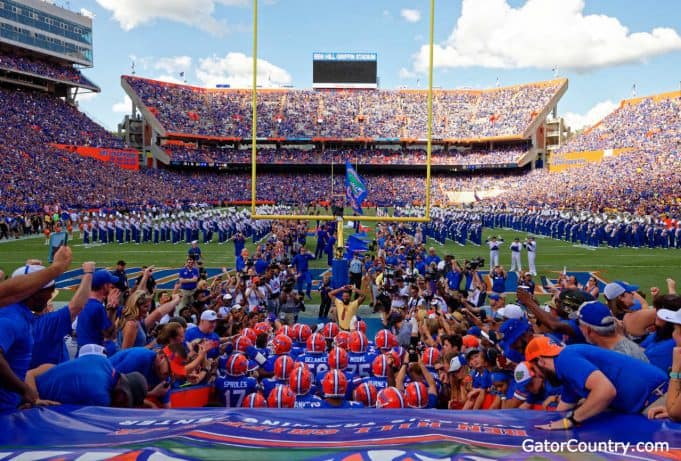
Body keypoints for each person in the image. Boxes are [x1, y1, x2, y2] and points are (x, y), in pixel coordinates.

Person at [526, 336, 667, 430]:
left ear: (540, 361)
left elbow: (605, 392)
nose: (537, 375)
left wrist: (569, 421)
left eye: (534, 369)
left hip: (657, 400)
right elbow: (564, 408)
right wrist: (547, 425)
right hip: (649, 400)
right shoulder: (565, 368)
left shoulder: (565, 359)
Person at [24, 354, 148, 407]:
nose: (121, 407)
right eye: (125, 404)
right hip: (25, 404)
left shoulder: (103, 361)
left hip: (27, 387)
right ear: (123, 395)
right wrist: (36, 400)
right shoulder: (101, 398)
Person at [0, 245, 72, 308]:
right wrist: (56, 268)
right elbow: (74, 308)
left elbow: (13, 291)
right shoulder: (13, 319)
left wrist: (28, 270)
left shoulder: (13, 306)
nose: (50, 296)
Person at [576, 301, 648, 361]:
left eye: (579, 323)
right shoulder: (631, 347)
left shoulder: (613, 359)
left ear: (588, 330)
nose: (579, 328)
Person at [76, 270, 120, 353]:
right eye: (110, 284)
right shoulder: (97, 307)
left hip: (82, 350)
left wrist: (110, 309)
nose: (112, 286)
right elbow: (109, 334)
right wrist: (113, 310)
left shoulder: (85, 302)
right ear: (105, 286)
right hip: (93, 353)